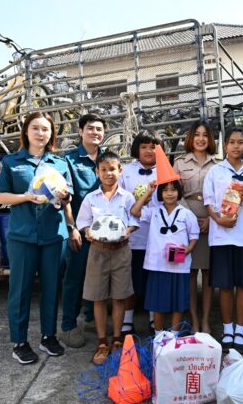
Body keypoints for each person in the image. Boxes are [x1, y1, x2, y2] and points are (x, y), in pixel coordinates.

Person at [0, 112, 73, 365]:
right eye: (36, 128)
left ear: (52, 134)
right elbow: (0, 196)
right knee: (20, 290)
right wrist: (26, 197)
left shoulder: (59, 163)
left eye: (46, 129)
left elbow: (68, 196)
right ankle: (19, 342)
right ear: (26, 131)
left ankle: (48, 337)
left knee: (51, 288)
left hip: (53, 235)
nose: (41, 133)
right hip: (22, 236)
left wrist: (64, 196)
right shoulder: (11, 162)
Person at [203, 127, 243, 353]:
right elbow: (208, 202)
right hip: (221, 236)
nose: (236, 146)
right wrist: (218, 220)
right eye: (232, 142)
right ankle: (227, 329)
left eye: (240, 142)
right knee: (225, 285)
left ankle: (240, 330)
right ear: (225, 145)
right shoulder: (215, 171)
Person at [76, 151, 139, 365]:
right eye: (103, 169)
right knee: (99, 298)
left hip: (121, 251)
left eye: (112, 169)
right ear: (97, 172)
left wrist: (127, 231)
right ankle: (102, 342)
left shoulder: (127, 197)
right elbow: (83, 222)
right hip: (98, 251)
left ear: (120, 171)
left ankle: (117, 339)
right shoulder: (91, 198)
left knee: (120, 297)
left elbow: (134, 220)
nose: (108, 173)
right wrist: (87, 232)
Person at [59, 113, 105, 348]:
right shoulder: (69, 160)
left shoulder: (107, 159)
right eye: (90, 128)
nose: (95, 132)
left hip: (103, 233)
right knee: (74, 280)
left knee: (97, 279)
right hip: (80, 232)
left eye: (99, 129)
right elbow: (66, 198)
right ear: (80, 131)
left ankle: (90, 319)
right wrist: (72, 229)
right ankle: (68, 327)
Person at [131, 180, 199, 333]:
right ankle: (159, 334)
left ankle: (174, 334)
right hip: (157, 265)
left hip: (179, 265)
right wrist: (148, 192)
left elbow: (194, 235)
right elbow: (135, 211)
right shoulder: (154, 211)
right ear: (160, 193)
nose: (169, 193)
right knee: (158, 303)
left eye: (173, 190)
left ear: (179, 192)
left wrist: (188, 249)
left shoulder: (187, 214)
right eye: (165, 190)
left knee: (178, 302)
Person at [173, 121, 218, 334]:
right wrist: (189, 219)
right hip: (185, 221)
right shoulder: (179, 163)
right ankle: (194, 320)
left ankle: (206, 319)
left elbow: (222, 195)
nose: (201, 139)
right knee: (188, 273)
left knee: (208, 273)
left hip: (211, 222)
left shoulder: (218, 164)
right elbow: (174, 192)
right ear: (190, 138)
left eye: (205, 135)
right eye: (197, 134)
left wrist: (212, 219)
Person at [118, 131, 161, 335]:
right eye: (144, 147)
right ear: (137, 149)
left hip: (158, 235)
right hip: (133, 235)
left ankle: (154, 318)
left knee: (154, 279)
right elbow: (120, 200)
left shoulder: (165, 171)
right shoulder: (126, 171)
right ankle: (127, 319)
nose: (149, 151)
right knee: (130, 279)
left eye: (153, 147)